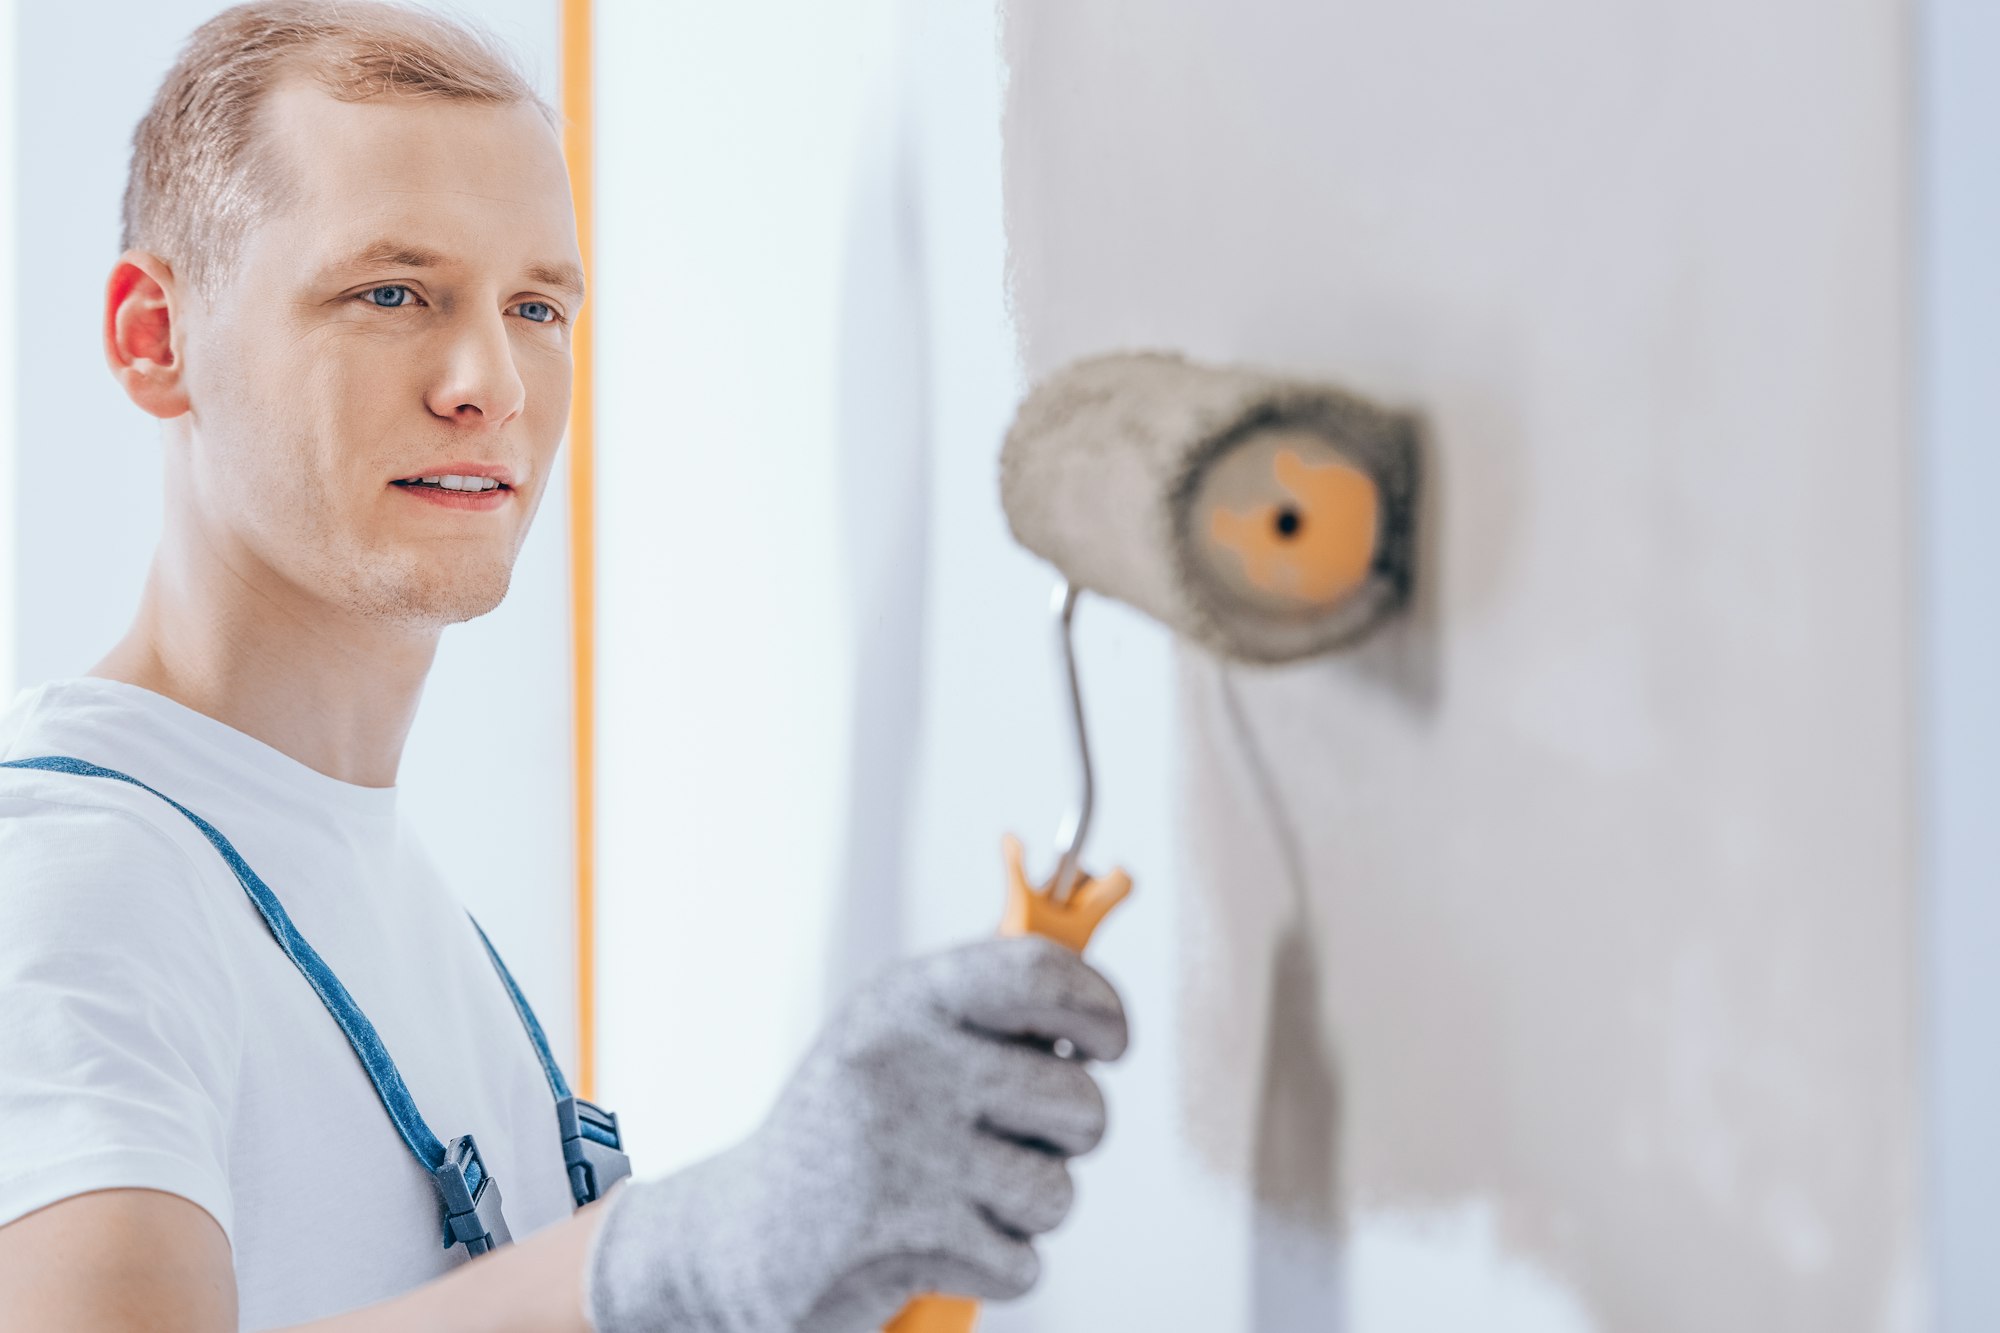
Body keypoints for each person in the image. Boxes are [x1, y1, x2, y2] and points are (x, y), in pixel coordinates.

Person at [0, 4, 1129, 1330]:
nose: (492, 382)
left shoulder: (390, 896)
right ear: (154, 336)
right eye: (392, 292)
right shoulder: (78, 876)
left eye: (538, 305)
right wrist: (681, 1257)